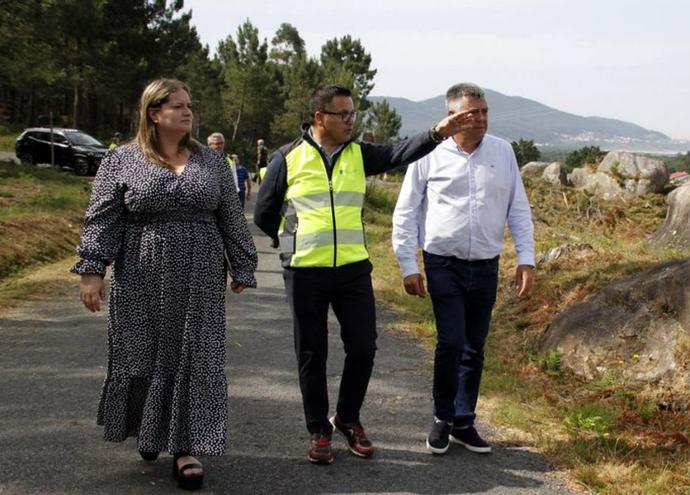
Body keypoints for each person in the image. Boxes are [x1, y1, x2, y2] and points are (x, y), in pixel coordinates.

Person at [253, 84, 478, 465]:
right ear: (319, 117)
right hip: (306, 271)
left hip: (353, 269)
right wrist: (289, 245)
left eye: (354, 114)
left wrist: (439, 131)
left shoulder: (359, 154)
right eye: (343, 115)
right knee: (312, 352)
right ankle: (318, 431)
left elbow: (401, 152)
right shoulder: (286, 158)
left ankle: (347, 418)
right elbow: (264, 212)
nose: (350, 121)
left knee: (363, 347)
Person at [72, 78, 257, 490]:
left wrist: (242, 263)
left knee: (194, 352)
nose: (187, 112)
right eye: (176, 106)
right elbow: (103, 217)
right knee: (144, 351)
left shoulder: (211, 163)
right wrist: (92, 269)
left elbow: (230, 214)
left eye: (189, 105)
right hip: (140, 271)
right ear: (154, 113)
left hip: (200, 273)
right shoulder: (121, 160)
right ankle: (151, 429)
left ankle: (185, 447)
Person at [391, 82, 535, 455]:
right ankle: (442, 416)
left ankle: (464, 420)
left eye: (485, 111)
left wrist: (526, 257)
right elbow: (406, 212)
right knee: (451, 342)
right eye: (474, 112)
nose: (482, 118)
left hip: (486, 264)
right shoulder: (429, 153)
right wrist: (408, 264)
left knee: (474, 347)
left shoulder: (503, 152)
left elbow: (518, 209)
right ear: (453, 115)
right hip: (443, 263)